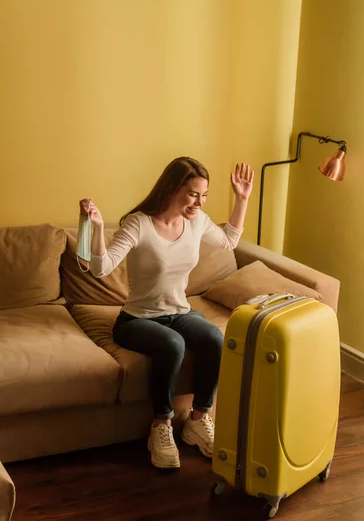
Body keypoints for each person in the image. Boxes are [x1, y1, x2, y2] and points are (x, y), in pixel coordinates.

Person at [80, 156, 253, 469]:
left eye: (204, 195)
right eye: (192, 194)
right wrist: (97, 229)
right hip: (137, 319)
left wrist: (242, 199)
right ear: (172, 189)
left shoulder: (197, 221)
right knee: (173, 344)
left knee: (215, 338)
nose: (199, 202)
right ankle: (161, 426)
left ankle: (199, 420)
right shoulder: (140, 223)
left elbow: (228, 241)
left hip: (178, 312)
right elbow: (100, 268)